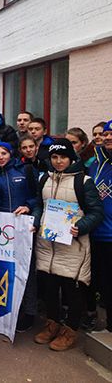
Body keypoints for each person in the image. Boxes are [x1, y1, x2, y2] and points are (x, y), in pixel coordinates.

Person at [32, 139, 103, 351]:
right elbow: (39, 205)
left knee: (73, 291)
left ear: (71, 158)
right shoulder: (45, 178)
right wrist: (36, 220)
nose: (58, 161)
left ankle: (70, 330)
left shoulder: (83, 181)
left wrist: (80, 227)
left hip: (73, 245)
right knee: (51, 289)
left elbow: (96, 212)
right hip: (48, 244)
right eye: (54, 157)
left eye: (63, 157)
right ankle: (52, 323)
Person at [0, 141, 38, 331]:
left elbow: (37, 196)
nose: (0, 157)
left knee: (27, 270)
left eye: (4, 153)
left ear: (11, 153)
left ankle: (29, 312)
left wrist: (28, 206)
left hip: (24, 227)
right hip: (3, 228)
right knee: (5, 269)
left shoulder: (25, 170)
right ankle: (10, 311)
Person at [89, 120, 112, 332]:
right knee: (103, 283)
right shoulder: (95, 164)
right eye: (106, 134)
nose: (108, 137)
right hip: (97, 233)